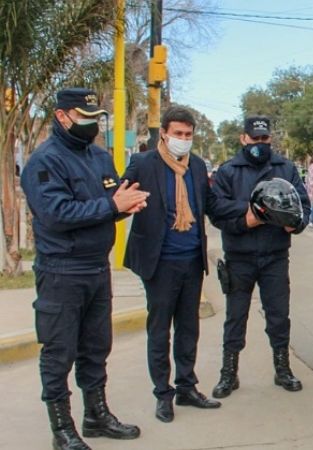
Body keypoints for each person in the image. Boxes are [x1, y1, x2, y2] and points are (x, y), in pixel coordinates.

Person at [21, 88, 145, 449]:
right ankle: (62, 428)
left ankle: (96, 415)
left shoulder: (98, 156)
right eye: (85, 117)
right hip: (62, 270)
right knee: (59, 351)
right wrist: (112, 205)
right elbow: (57, 214)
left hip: (95, 267)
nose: (93, 124)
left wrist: (126, 204)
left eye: (96, 117)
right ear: (62, 116)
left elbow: (106, 203)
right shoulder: (44, 162)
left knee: (96, 347)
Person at [122, 106, 239, 422]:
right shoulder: (143, 163)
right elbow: (121, 199)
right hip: (159, 263)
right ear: (164, 133)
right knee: (160, 330)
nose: (183, 140)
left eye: (188, 135)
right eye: (178, 134)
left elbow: (212, 205)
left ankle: (187, 387)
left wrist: (248, 211)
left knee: (189, 328)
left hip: (191, 260)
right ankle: (163, 394)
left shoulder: (197, 166)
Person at [210, 116, 310, 397]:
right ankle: (228, 374)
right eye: (255, 139)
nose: (260, 144)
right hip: (239, 257)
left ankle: (283, 369)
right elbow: (217, 211)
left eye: (265, 139)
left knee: (279, 315)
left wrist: (296, 223)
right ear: (243, 138)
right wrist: (248, 219)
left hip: (275, 255)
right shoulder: (228, 171)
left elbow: (303, 205)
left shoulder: (285, 168)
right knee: (235, 317)